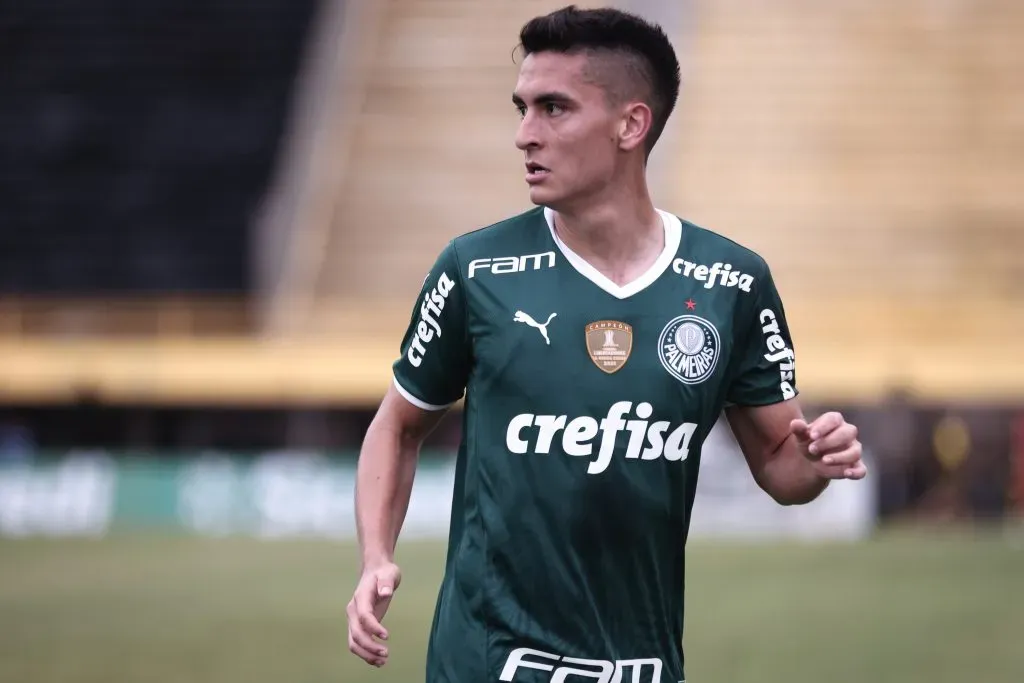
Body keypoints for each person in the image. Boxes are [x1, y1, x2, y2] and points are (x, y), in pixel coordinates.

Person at [347, 5, 867, 682]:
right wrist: (375, 556)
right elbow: (399, 424)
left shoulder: (731, 283)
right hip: (487, 663)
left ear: (631, 124)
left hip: (644, 666)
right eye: (522, 108)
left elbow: (779, 464)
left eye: (554, 109)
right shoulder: (476, 271)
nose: (524, 135)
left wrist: (818, 461)